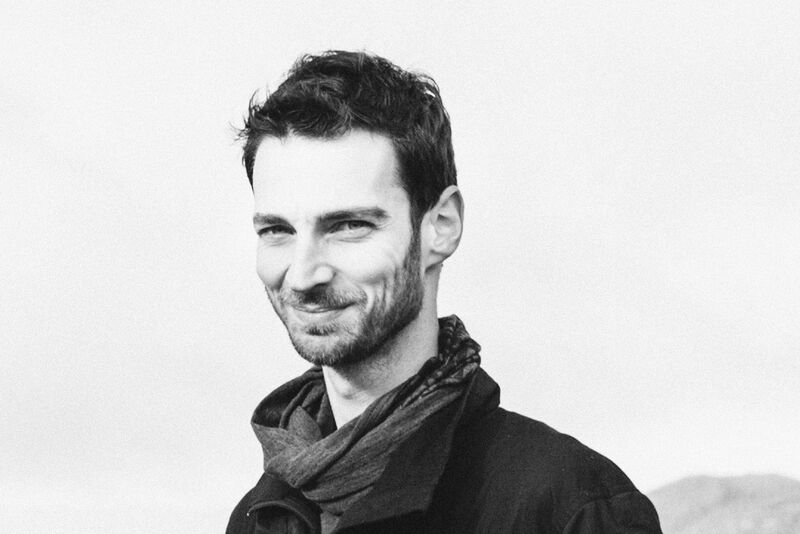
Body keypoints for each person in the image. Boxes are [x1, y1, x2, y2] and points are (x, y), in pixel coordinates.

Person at [227, 50, 662, 534]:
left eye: (349, 225)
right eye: (277, 231)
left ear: (442, 226)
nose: (304, 275)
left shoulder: (568, 507)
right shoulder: (259, 517)